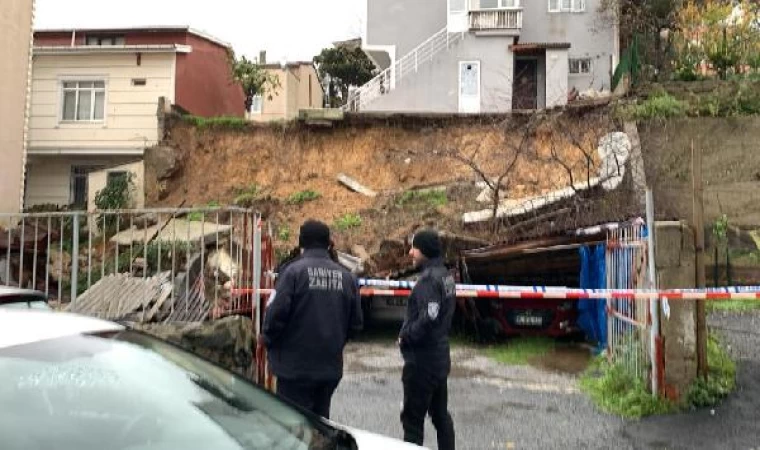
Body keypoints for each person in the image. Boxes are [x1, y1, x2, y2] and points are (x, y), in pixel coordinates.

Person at [262, 220, 363, 419]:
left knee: (294, 428)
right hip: (329, 369)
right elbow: (356, 324)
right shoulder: (347, 277)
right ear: (328, 244)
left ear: (301, 243)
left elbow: (275, 316)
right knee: (321, 426)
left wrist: (266, 339)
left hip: (293, 370)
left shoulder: (292, 272)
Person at [398, 228, 456, 450]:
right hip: (440, 357)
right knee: (440, 415)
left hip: (423, 361)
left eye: (415, 247)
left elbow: (430, 317)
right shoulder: (446, 275)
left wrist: (406, 336)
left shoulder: (430, 280)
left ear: (425, 251)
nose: (411, 252)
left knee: (412, 421)